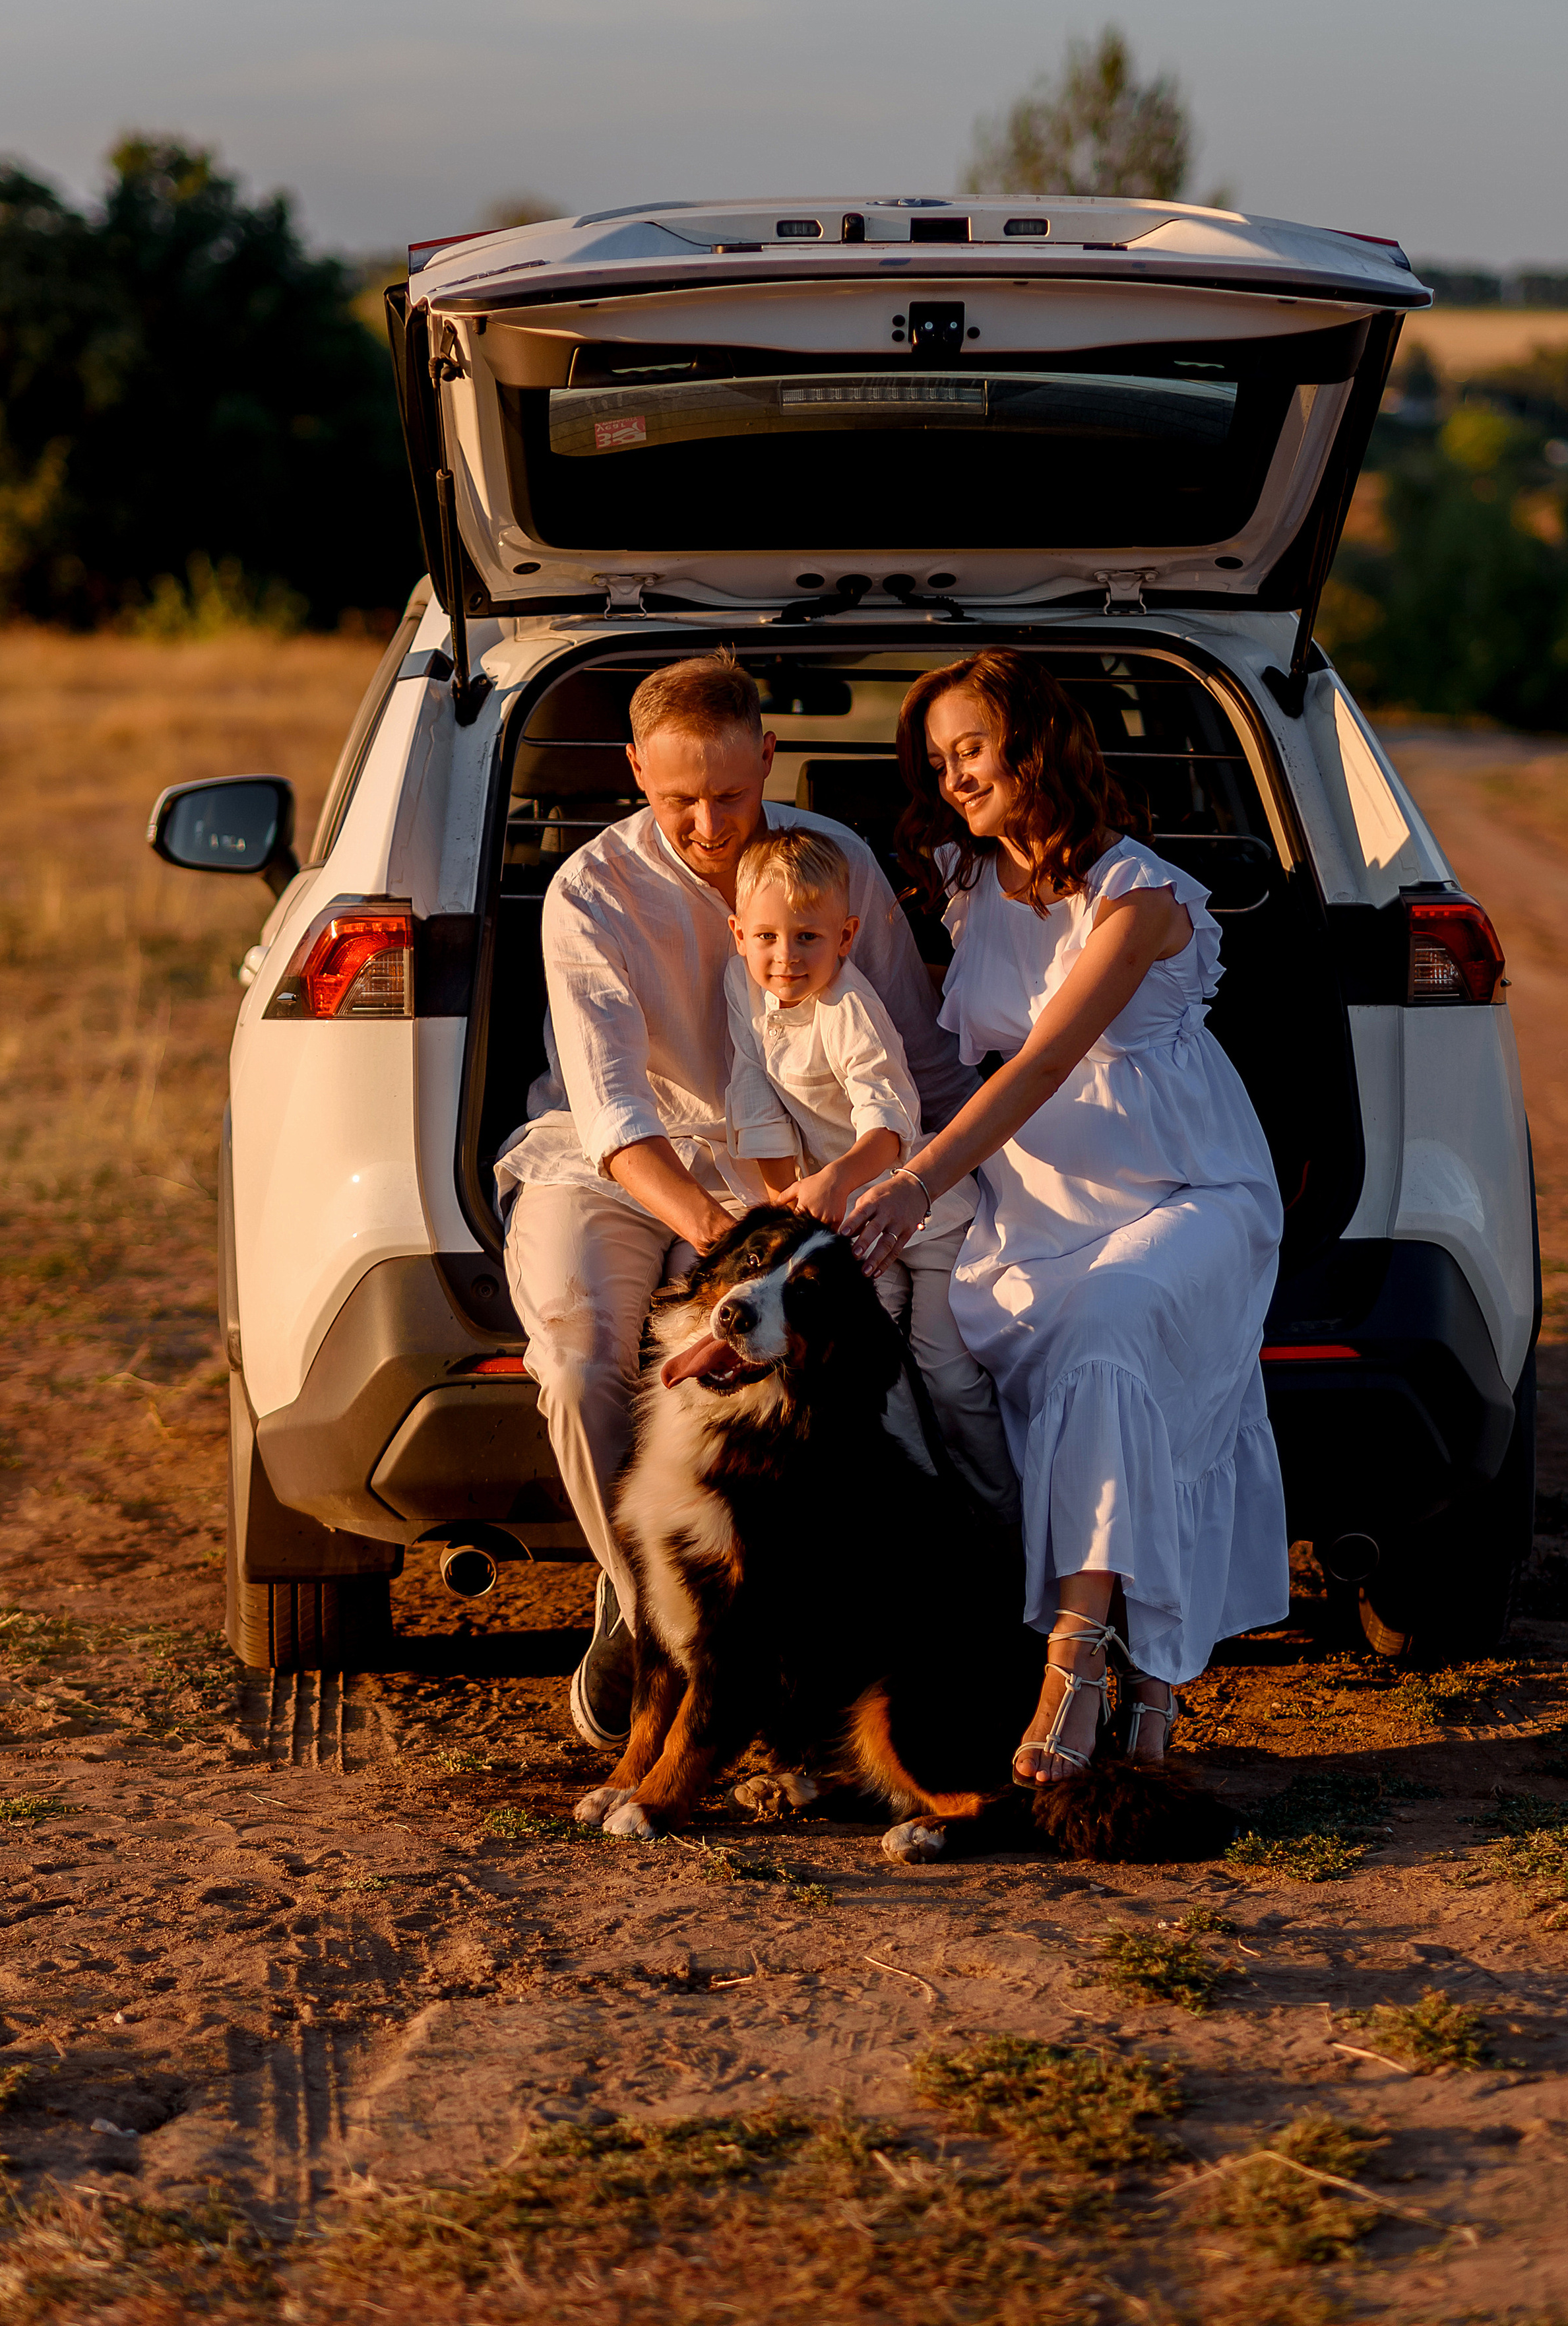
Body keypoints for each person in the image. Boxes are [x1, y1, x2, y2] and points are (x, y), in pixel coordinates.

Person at [495, 652, 1000, 1751]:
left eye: (731, 793)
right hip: (618, 1168)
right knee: (584, 1354)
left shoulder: (839, 865)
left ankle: (903, 1621)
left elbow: (914, 1055)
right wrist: (730, 1243)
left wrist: (955, 1187)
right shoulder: (591, 891)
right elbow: (613, 1111)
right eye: (677, 798)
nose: (708, 822)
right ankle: (649, 1620)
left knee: (915, 1368)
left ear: (769, 758)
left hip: (802, 1172)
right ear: (634, 769)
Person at [843, 649, 1288, 1772]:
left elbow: (1042, 1064)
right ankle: (1150, 1684)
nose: (952, 777)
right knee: (1069, 1356)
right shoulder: (955, 873)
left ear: (1036, 741)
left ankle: (1074, 1662)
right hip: (1033, 1208)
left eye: (972, 749)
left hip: (1186, 1193)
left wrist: (915, 1181)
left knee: (1107, 1331)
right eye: (936, 760)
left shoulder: (1140, 897)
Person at [723, 825, 1019, 1520]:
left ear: (846, 936)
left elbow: (889, 1122)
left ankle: (1008, 1521)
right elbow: (752, 1087)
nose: (785, 958)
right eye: (766, 937)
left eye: (807, 938)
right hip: (851, 1237)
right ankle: (919, 1519)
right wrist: (780, 1201)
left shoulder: (847, 1009)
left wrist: (835, 1178)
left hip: (927, 1222)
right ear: (738, 934)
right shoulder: (740, 986)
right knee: (869, 1377)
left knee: (947, 1378)